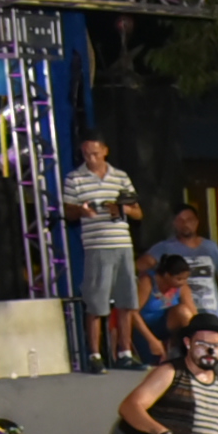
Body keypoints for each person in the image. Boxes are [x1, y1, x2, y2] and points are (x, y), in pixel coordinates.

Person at [64, 135, 149, 369]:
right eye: (86, 154)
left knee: (126, 301)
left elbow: (138, 212)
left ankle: (124, 353)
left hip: (122, 244)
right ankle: (95, 356)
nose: (91, 158)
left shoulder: (120, 176)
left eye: (95, 153)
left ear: (105, 151)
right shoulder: (75, 178)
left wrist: (120, 208)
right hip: (96, 246)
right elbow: (68, 212)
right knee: (96, 303)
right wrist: (82, 211)